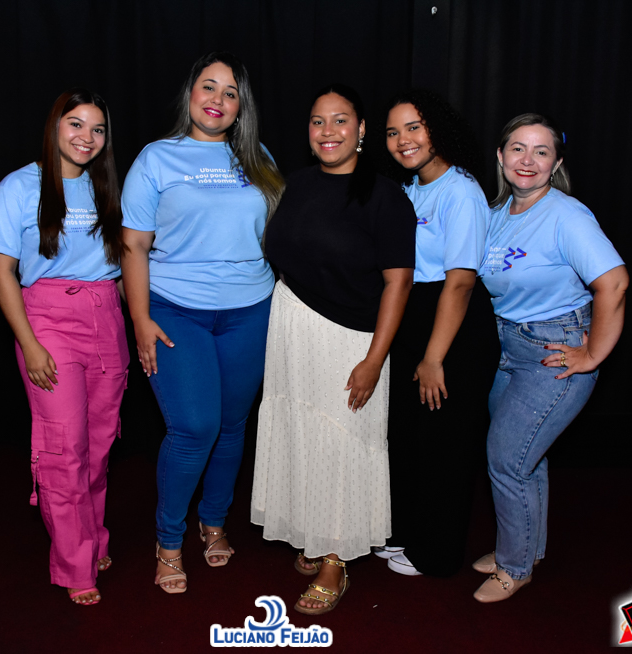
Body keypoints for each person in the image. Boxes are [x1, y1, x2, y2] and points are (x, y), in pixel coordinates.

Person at [120, 51, 283, 594]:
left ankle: (213, 521)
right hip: (175, 310)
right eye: (208, 87)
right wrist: (139, 318)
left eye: (230, 92)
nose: (218, 99)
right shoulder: (156, 158)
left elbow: (277, 236)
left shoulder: (258, 157)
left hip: (250, 311)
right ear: (190, 93)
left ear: (241, 106)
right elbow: (133, 246)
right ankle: (168, 540)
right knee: (194, 427)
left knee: (233, 426)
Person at [251, 84, 416, 615]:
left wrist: (374, 360)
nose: (328, 131)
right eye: (318, 121)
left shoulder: (385, 196)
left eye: (340, 120)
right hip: (292, 329)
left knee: (342, 444)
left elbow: (398, 283)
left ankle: (335, 560)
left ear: (361, 129)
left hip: (350, 340)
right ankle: (313, 531)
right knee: (302, 435)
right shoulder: (297, 184)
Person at [473, 113, 629, 602]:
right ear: (500, 156)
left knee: (506, 459)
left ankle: (515, 568)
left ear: (556, 163)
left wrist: (592, 354)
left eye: (541, 152)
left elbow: (614, 282)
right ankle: (526, 549)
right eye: (518, 148)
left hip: (552, 349)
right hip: (508, 349)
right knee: (526, 457)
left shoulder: (567, 215)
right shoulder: (498, 212)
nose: (528, 160)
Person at [0, 89, 129, 606]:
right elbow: (0, 270)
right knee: (63, 449)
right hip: (47, 321)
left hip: (106, 317)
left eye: (97, 129)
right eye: (76, 124)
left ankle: (93, 541)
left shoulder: (106, 186)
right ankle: (74, 564)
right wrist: (29, 343)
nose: (87, 137)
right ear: (55, 126)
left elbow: (124, 264)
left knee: (99, 447)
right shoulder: (18, 188)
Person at [376, 90, 499, 577]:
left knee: (445, 445)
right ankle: (407, 532)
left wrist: (433, 358)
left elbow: (461, 282)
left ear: (437, 130)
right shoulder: (410, 187)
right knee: (411, 438)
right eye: (393, 132)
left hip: (452, 326)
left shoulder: (460, 190)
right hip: (414, 317)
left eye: (414, 127)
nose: (403, 139)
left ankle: (438, 553)